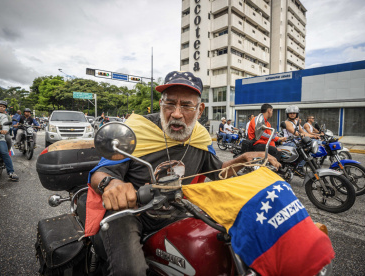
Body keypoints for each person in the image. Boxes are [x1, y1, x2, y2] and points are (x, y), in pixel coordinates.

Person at [88, 71, 280, 275]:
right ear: (161, 105)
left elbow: (218, 172)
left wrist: (242, 159)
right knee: (130, 271)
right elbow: (101, 171)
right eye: (169, 104)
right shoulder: (137, 131)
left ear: (200, 110)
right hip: (132, 212)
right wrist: (111, 184)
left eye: (186, 105)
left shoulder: (199, 137)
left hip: (179, 209)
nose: (176, 113)